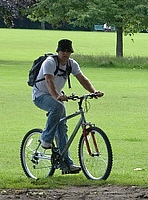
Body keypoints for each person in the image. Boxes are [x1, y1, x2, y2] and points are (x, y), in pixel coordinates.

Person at [32, 39, 103, 174]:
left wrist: (93, 92)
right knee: (58, 108)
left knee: (62, 130)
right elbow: (49, 80)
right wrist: (57, 96)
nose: (65, 53)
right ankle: (45, 139)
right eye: (62, 51)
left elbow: (82, 79)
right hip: (40, 95)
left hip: (56, 96)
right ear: (58, 51)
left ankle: (66, 164)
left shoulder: (72, 64)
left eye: (68, 51)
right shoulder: (50, 62)